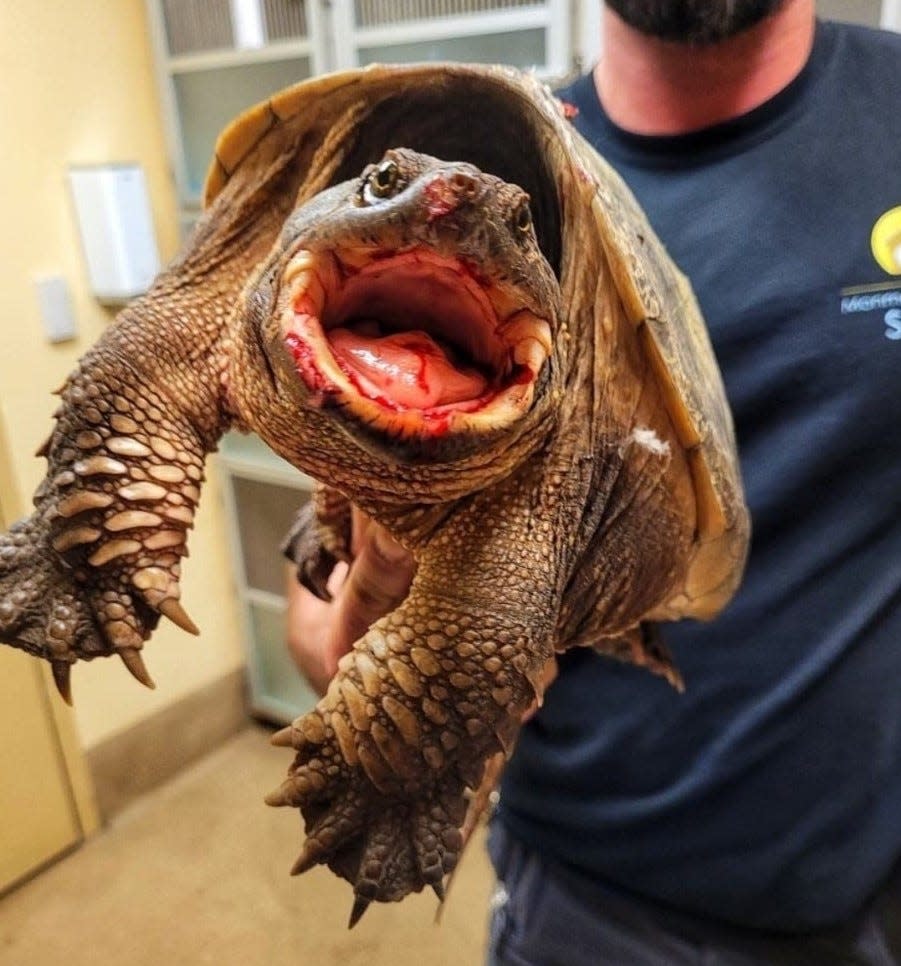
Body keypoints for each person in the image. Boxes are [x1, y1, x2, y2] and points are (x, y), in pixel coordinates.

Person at [287, 2, 901, 961]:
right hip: (586, 890)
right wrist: (377, 604)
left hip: (867, 879)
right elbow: (322, 634)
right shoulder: (477, 166)